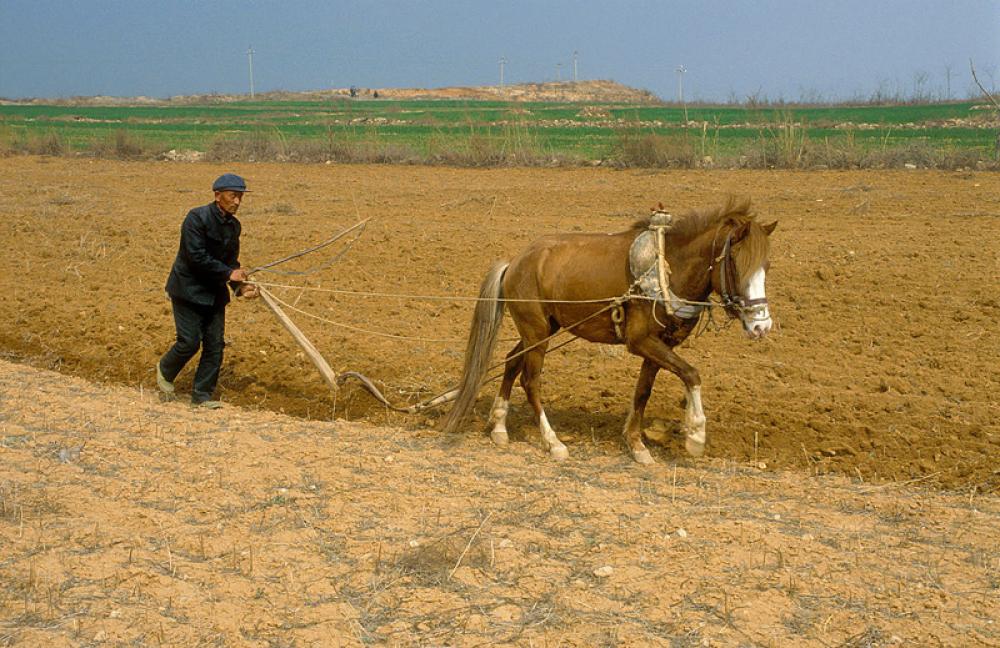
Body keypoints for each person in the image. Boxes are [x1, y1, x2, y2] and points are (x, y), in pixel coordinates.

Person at [156, 173, 259, 408]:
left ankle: (201, 397)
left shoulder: (234, 226)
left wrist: (240, 287)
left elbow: (230, 262)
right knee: (189, 342)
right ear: (217, 195)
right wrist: (227, 274)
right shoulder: (196, 218)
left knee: (215, 345)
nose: (237, 202)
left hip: (213, 292)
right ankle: (164, 369)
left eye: (240, 196)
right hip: (187, 289)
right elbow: (196, 257)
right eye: (233, 195)